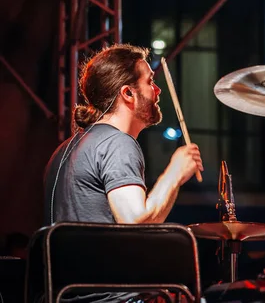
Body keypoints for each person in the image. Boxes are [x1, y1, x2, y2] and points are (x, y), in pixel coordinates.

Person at [44, 44, 203, 225]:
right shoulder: (116, 144)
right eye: (150, 82)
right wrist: (174, 173)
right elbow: (134, 223)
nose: (158, 90)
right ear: (128, 93)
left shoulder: (63, 150)